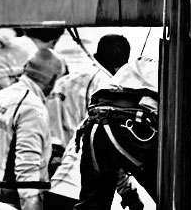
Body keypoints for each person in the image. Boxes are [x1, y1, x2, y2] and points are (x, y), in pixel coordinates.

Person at [47, 34, 144, 210]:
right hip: (81, 188)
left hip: (55, 179)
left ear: (97, 54)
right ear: (122, 64)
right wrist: (130, 195)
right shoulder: (109, 88)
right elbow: (111, 148)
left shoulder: (63, 81)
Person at [0, 48, 65, 210]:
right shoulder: (33, 108)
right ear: (53, 79)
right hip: (4, 202)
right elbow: (27, 170)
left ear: (25, 68)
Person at [73, 57, 159, 209]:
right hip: (129, 123)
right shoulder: (175, 66)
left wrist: (130, 195)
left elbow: (112, 152)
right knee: (170, 195)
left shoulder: (140, 64)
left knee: (91, 205)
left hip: (95, 122)